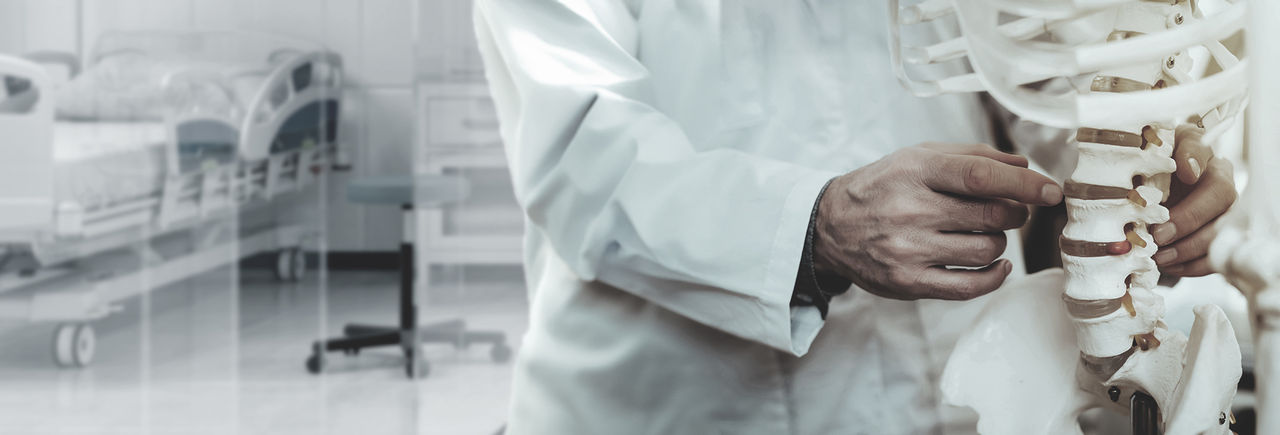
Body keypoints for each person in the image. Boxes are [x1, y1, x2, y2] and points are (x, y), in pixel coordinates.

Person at [472, 1, 1237, 433]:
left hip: (931, 396)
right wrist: (813, 224)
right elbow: (580, 153)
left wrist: (1129, 173)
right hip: (671, 404)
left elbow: (1039, 82)